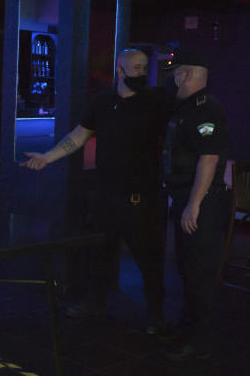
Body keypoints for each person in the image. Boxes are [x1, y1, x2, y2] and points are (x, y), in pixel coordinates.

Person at [22, 48, 172, 334]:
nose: (141, 73)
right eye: (135, 68)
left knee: (148, 256)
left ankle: (155, 314)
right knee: (100, 251)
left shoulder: (155, 101)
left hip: (141, 194)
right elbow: (78, 136)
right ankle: (95, 301)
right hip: (106, 192)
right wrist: (47, 157)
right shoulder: (103, 101)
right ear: (120, 70)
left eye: (144, 67)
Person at [161, 49, 230, 362]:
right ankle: (187, 330)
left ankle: (199, 338)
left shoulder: (206, 109)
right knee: (188, 268)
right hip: (186, 197)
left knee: (199, 271)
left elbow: (209, 158)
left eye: (177, 72)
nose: (174, 77)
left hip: (201, 201)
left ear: (185, 74)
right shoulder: (188, 107)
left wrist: (194, 204)